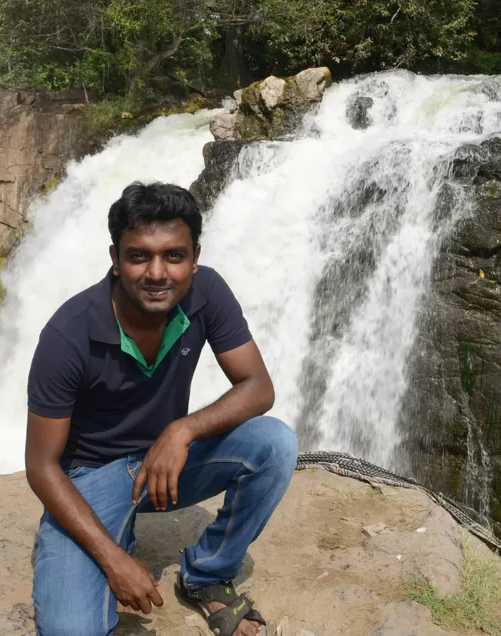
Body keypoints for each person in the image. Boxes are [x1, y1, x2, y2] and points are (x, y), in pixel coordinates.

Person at [25, 181, 298, 636]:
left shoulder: (206, 292)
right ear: (115, 258)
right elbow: (40, 466)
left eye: (173, 255)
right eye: (139, 256)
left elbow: (258, 387)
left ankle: (207, 575)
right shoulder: (66, 336)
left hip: (166, 463)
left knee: (274, 443)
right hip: (89, 476)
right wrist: (114, 561)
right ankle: (104, 536)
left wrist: (181, 431)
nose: (157, 272)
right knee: (70, 630)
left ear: (194, 257)